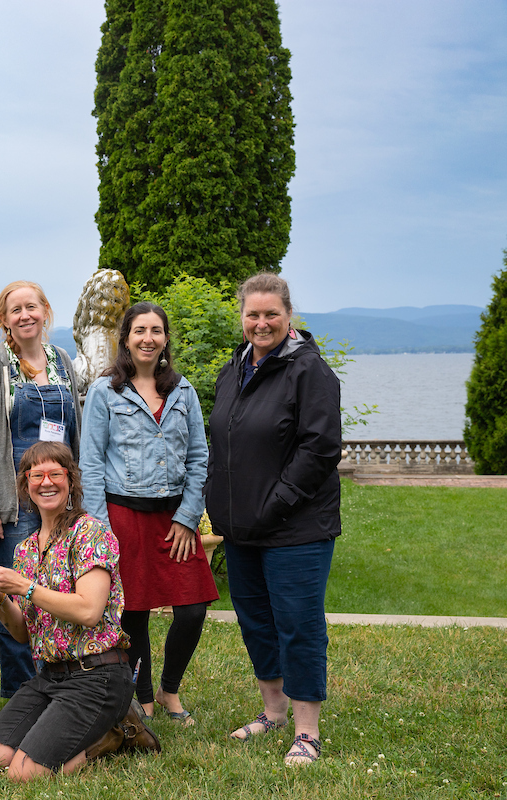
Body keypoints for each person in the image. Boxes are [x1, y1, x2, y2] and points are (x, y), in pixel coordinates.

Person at [205, 272, 342, 766]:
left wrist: (275, 504)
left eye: (271, 315)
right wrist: (215, 500)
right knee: (257, 622)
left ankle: (307, 731)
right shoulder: (234, 369)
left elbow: (321, 448)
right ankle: (273, 712)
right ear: (241, 317)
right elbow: (221, 442)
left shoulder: (310, 372)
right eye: (252, 315)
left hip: (296, 530)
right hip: (241, 530)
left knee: (298, 624)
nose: (261, 323)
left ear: (289, 316)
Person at [0, 442, 159, 782]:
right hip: (51, 675)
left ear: (70, 480)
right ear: (25, 484)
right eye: (36, 474)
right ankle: (86, 730)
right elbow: (23, 634)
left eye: (55, 474)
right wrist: (0, 600)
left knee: (23, 775)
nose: (46, 482)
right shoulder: (26, 550)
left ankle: (114, 734)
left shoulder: (90, 532)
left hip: (97, 675)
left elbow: (89, 611)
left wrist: (24, 588)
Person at [79, 302, 216, 725]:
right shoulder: (106, 392)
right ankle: (144, 700)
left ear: (166, 339)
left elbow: (199, 456)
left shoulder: (184, 392)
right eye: (140, 330)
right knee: (132, 611)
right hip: (124, 516)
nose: (148, 338)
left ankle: (169, 690)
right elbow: (91, 464)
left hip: (175, 519)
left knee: (192, 608)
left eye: (156, 330)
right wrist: (102, 530)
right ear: (125, 339)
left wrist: (188, 516)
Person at [0, 280, 82, 697]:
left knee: (57, 594)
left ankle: (62, 687)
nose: (24, 315)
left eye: (31, 307)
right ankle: (21, 696)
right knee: (18, 601)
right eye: (15, 310)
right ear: (4, 320)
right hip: (13, 505)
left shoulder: (62, 361)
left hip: (59, 497)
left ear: (45, 310)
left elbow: (75, 434)